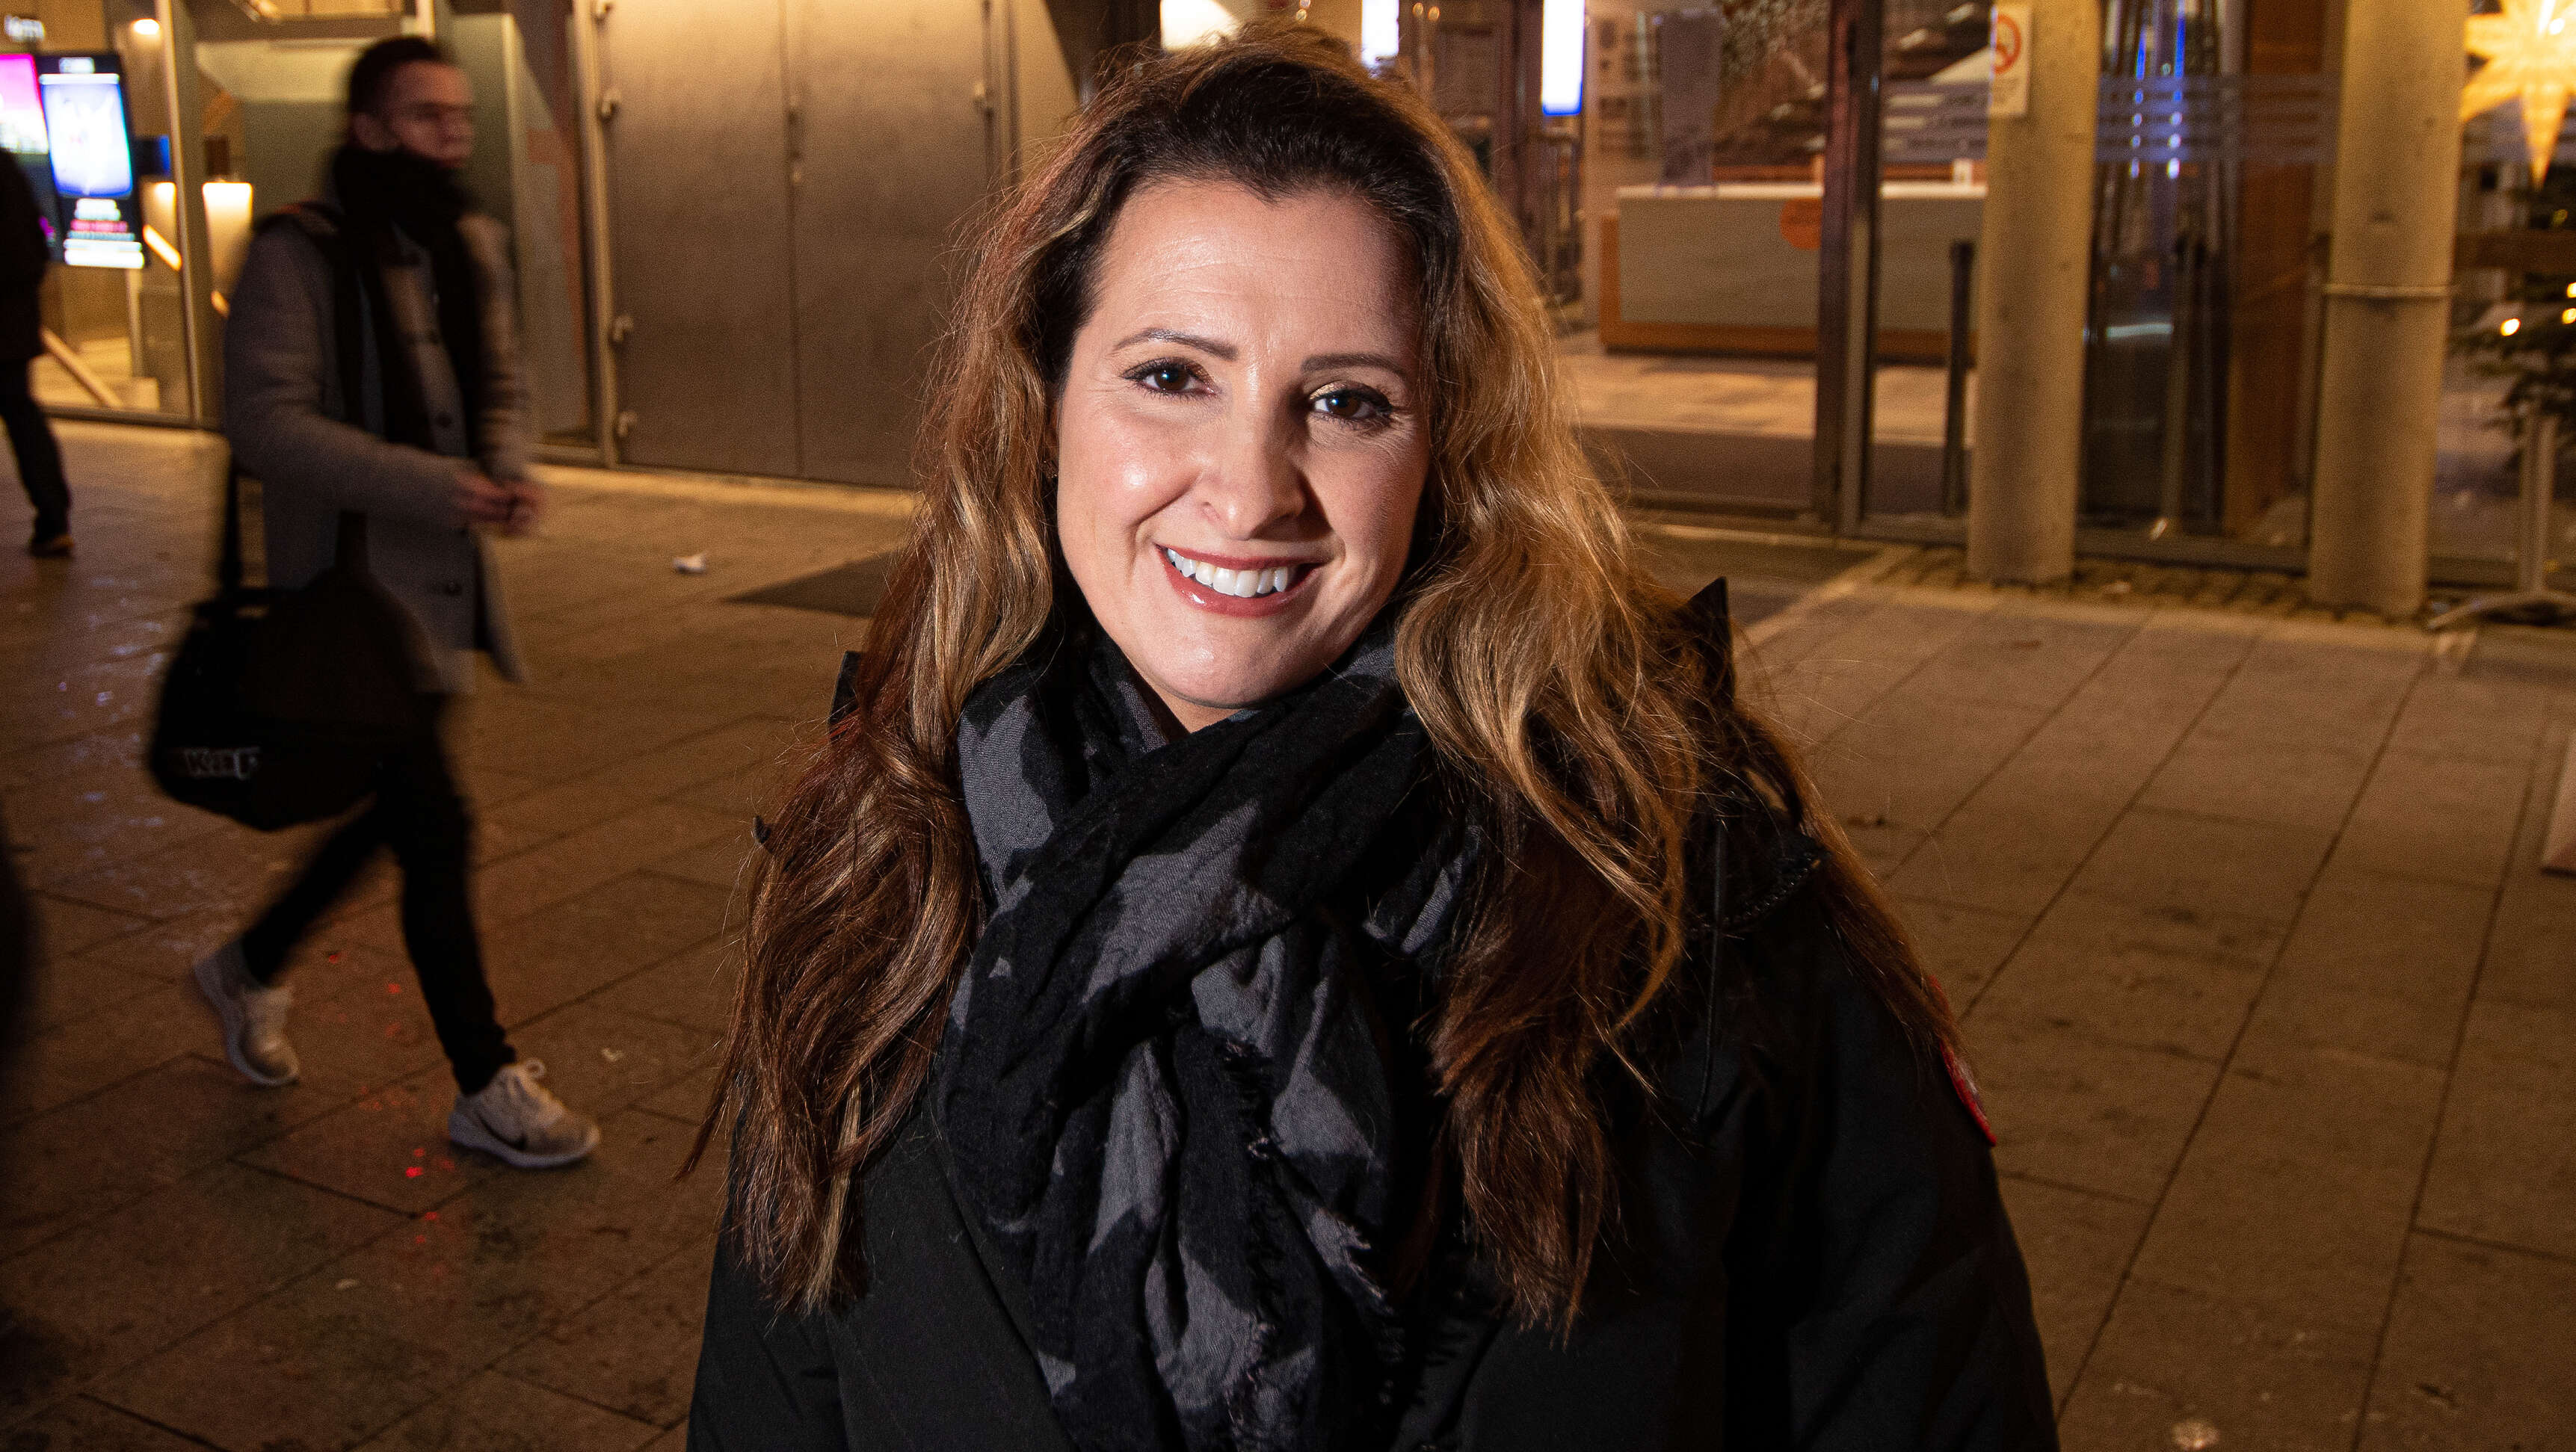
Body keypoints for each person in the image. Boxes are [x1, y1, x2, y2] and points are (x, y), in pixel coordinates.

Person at [685, 27, 2054, 1451]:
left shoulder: (1685, 914)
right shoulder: (888, 860)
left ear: (1446, 447)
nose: (1250, 490)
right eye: (1172, 376)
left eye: (1345, 402)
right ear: (1044, 406)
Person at [194, 37, 596, 1170]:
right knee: (436, 822)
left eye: (459, 116)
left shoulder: (466, 240)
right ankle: (484, 1078)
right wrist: (439, 486)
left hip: (435, 601)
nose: (452, 137)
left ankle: (249, 963)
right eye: (425, 117)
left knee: (396, 811)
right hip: (349, 600)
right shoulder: (297, 253)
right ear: (368, 128)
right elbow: (264, 422)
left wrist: (505, 464)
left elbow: (500, 380)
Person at [0, 156, 71, 557]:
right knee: (23, 416)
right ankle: (54, 518)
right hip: (14, 322)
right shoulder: (8, 170)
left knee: (22, 416)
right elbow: (36, 244)